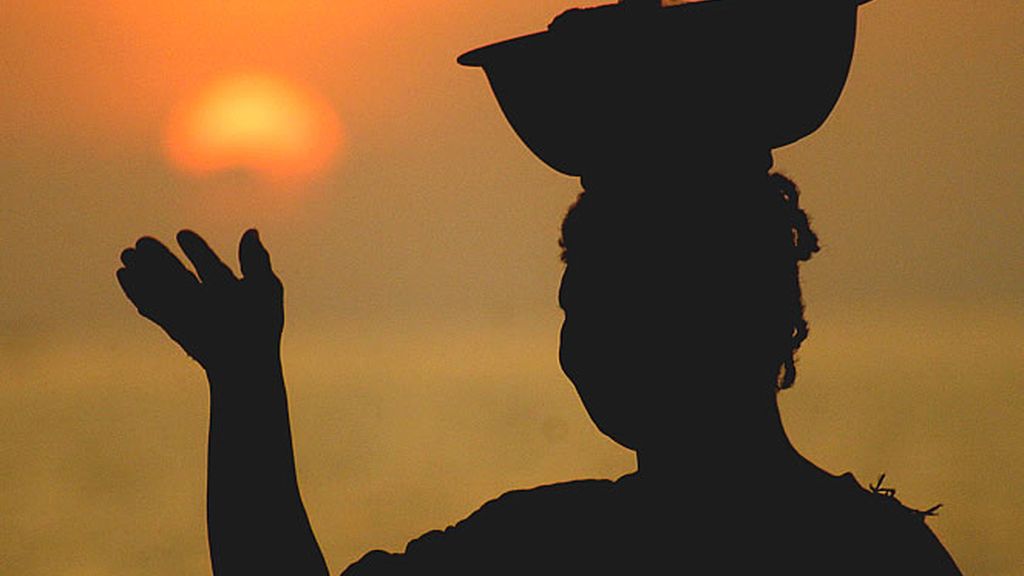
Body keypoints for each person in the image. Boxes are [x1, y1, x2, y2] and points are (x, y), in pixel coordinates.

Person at [117, 154, 961, 575]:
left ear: (723, 320)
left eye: (605, 308)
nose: (578, 346)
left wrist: (242, 379)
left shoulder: (555, 548)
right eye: (572, 312)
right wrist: (242, 375)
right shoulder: (885, 550)